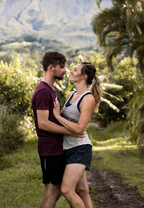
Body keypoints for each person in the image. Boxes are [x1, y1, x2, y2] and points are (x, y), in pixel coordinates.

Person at [32, 51, 85, 208]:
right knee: (51, 193)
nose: (65, 71)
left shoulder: (52, 89)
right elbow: (43, 123)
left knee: (60, 190)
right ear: (51, 68)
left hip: (57, 148)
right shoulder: (43, 91)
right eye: (62, 67)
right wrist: (71, 131)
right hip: (49, 149)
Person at [52, 62, 101, 208]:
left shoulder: (88, 99)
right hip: (67, 147)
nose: (71, 72)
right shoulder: (70, 94)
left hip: (80, 148)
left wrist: (58, 116)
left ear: (84, 76)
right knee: (82, 190)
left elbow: (80, 128)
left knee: (67, 190)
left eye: (75, 70)